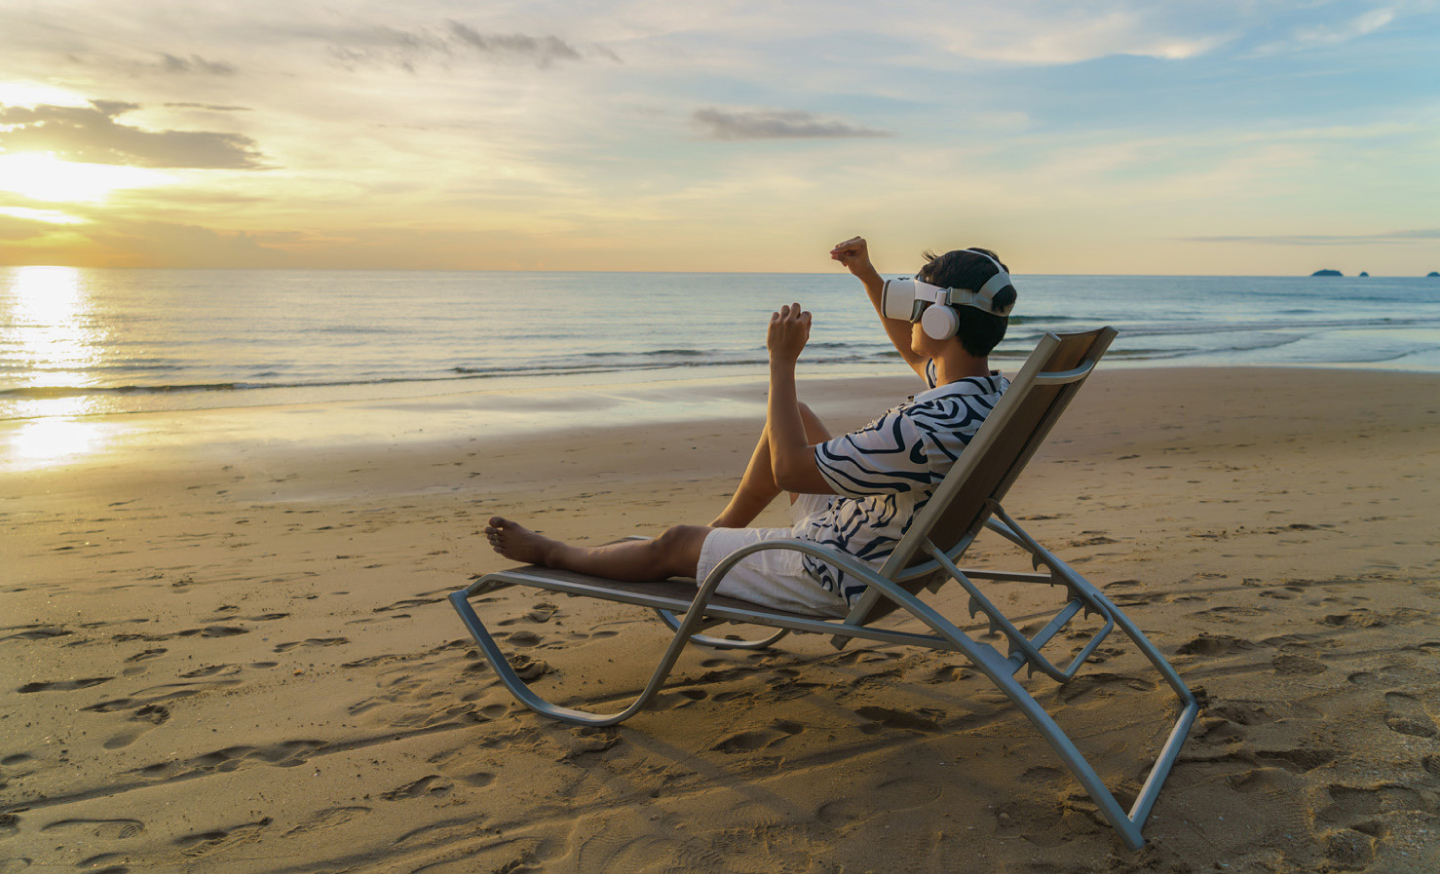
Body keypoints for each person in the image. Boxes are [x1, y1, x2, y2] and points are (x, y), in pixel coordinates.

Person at [485, 236, 1017, 616]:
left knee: (671, 543)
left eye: (916, 306)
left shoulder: (923, 428)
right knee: (799, 419)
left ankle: (555, 552)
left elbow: (790, 470)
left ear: (941, 321)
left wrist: (781, 361)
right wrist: (868, 279)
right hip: (878, 535)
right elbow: (918, 351)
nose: (909, 319)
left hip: (838, 570)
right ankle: (721, 535)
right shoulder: (983, 396)